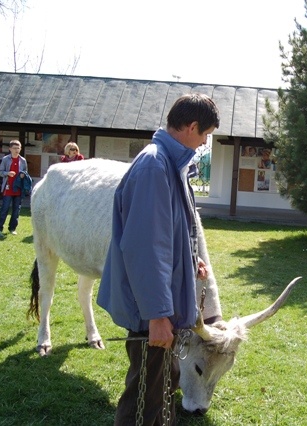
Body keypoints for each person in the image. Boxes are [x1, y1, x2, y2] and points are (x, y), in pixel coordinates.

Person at [97, 93, 220, 425]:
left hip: (160, 309)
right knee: (144, 396)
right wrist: (157, 316)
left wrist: (189, 259)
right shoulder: (155, 165)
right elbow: (145, 250)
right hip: (150, 314)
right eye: (205, 135)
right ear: (192, 127)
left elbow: (169, 234)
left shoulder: (171, 163)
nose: (204, 143)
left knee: (162, 385)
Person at [0, 140, 28, 238]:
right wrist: (7, 173)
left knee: (16, 210)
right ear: (10, 149)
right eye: (14, 148)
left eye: (18, 148)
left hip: (18, 188)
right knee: (4, 209)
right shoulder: (6, 159)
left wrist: (23, 175)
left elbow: (26, 173)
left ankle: (12, 228)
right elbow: (0, 172)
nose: (16, 150)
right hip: (8, 188)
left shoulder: (23, 160)